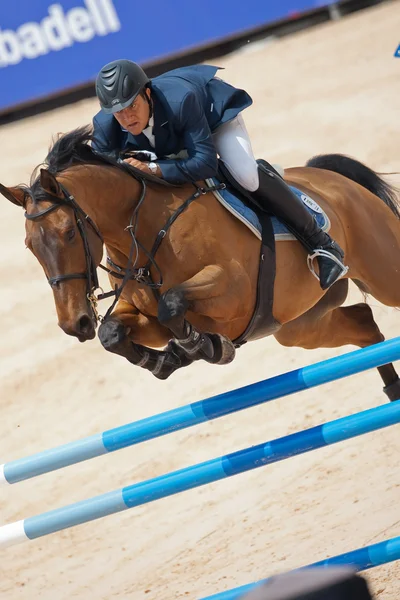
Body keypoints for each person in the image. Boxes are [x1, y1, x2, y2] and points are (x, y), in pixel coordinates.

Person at [92, 59, 348, 290]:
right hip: (167, 140)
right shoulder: (105, 127)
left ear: (147, 93)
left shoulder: (182, 100)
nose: (127, 118)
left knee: (245, 175)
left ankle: (322, 244)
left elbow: (205, 164)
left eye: (132, 106)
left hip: (210, 117)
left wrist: (154, 168)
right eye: (118, 112)